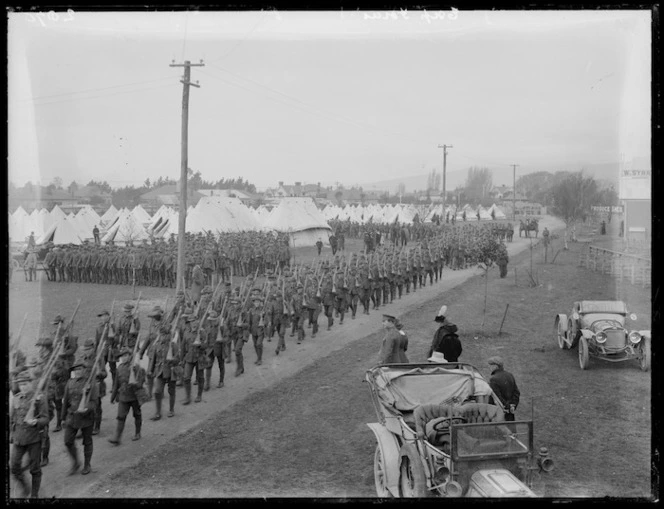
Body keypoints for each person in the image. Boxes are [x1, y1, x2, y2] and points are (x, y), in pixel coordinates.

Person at [10, 371, 49, 498]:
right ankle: (25, 487)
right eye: (21, 384)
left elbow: (45, 418)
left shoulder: (39, 398)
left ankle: (34, 494)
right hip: (19, 439)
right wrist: (12, 434)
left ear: (30, 383)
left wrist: (36, 422)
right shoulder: (16, 398)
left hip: (34, 439)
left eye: (25, 384)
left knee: (35, 469)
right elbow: (12, 419)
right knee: (14, 467)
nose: (23, 387)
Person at [62, 362, 99, 475]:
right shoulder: (69, 383)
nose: (78, 371)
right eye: (76, 370)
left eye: (80, 369)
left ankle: (87, 464)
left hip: (86, 417)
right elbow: (65, 402)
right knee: (68, 441)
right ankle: (76, 463)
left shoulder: (90, 383)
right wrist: (63, 418)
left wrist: (86, 408)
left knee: (87, 441)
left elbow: (94, 402)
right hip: (72, 416)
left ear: (84, 370)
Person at [108, 347, 147, 444]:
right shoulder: (120, 368)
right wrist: (113, 397)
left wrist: (136, 382)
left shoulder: (135, 367)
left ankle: (138, 433)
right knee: (121, 416)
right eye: (122, 356)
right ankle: (117, 438)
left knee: (137, 414)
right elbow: (116, 384)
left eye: (126, 356)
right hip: (123, 396)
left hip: (134, 395)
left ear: (130, 356)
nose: (123, 358)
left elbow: (141, 382)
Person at [487, 356, 520, 421]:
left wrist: (506, 407)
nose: (489, 367)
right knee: (511, 429)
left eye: (490, 365)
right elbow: (516, 393)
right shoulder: (510, 375)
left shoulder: (493, 379)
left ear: (496, 366)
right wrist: (512, 406)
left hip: (499, 413)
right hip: (510, 412)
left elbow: (497, 398)